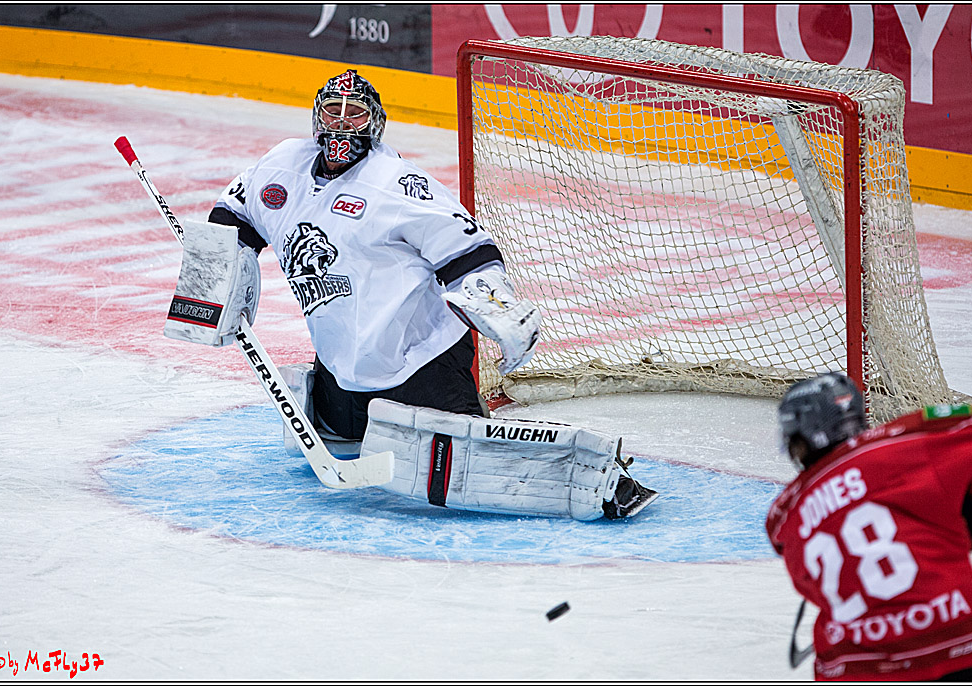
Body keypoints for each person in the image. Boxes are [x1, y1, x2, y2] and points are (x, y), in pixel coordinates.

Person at [199, 68, 655, 520]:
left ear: (374, 123)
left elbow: (463, 246)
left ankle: (600, 478)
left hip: (420, 358)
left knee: (469, 458)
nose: (341, 122)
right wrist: (216, 279)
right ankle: (343, 414)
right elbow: (235, 213)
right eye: (332, 110)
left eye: (354, 112)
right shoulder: (283, 165)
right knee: (342, 436)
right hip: (344, 367)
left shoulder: (395, 183)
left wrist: (496, 306)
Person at [766, 372, 972, 681]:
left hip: (855, 665)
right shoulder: (908, 440)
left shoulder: (783, 516)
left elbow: (808, 578)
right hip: (955, 642)